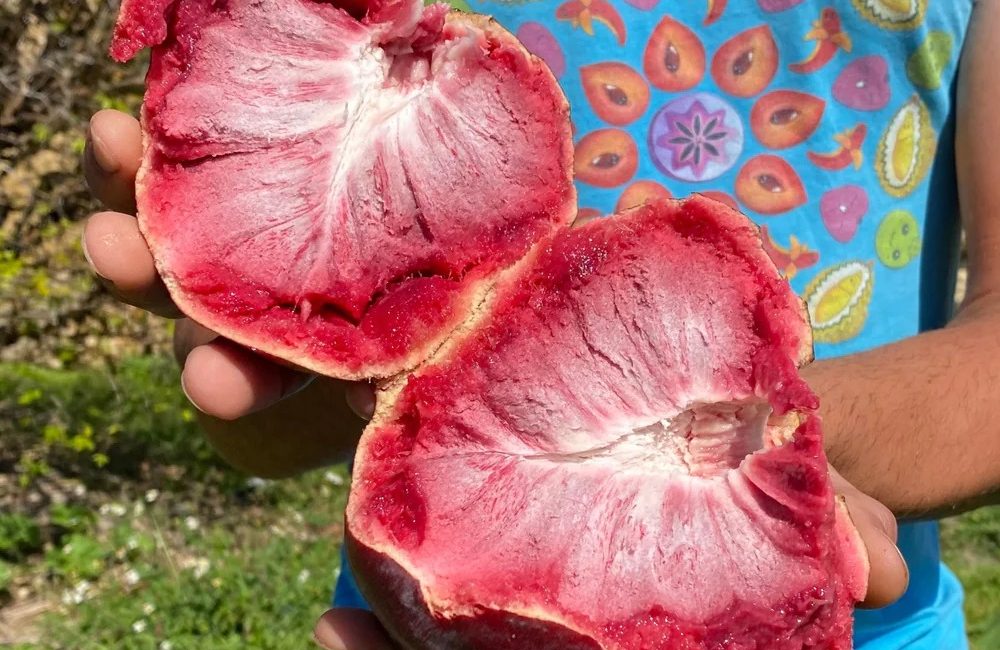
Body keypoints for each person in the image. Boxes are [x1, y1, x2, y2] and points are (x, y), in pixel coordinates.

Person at [81, 0, 1000, 647]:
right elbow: (251, 432)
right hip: (443, 583)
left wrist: (785, 445)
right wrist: (380, 365)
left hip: (882, 625)